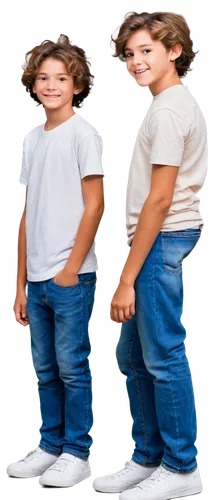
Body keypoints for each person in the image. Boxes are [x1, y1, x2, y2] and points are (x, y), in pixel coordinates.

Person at [91, 9, 208, 500]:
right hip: (152, 242)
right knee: (134, 356)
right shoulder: (168, 104)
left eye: (147, 51)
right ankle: (147, 456)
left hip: (158, 242)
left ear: (175, 51)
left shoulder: (168, 109)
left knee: (162, 357)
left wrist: (125, 279)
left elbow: (159, 199)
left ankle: (182, 466)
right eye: (130, 54)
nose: (135, 62)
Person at [6, 33, 106, 489]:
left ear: (76, 83)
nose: (50, 85)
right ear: (32, 83)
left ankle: (78, 452)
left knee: (72, 366)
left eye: (61, 78)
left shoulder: (85, 132)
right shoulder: (32, 138)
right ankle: (49, 445)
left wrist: (70, 268)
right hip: (38, 275)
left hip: (72, 274)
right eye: (43, 78)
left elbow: (95, 204)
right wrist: (21, 283)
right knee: (43, 368)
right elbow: (27, 211)